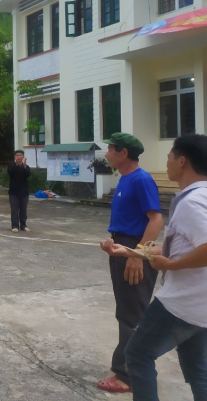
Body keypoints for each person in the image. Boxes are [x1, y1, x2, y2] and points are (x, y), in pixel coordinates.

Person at [101, 134, 207, 401]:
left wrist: (161, 261)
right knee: (197, 369)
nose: (167, 161)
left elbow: (156, 220)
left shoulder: (191, 201)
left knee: (137, 351)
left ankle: (125, 376)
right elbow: (183, 245)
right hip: (196, 304)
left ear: (182, 161)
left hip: (185, 302)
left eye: (170, 156)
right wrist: (131, 251)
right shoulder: (195, 197)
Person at [96, 132, 164, 394]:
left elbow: (156, 220)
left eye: (110, 149)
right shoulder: (125, 179)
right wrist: (115, 245)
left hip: (136, 249)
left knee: (132, 314)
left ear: (124, 153)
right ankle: (126, 368)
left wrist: (137, 254)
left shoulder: (141, 179)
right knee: (126, 311)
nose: (106, 154)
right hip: (124, 246)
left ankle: (129, 375)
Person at [7, 149, 31, 233]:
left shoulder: (26, 167)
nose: (19, 157)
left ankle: (23, 225)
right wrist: (16, 165)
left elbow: (28, 174)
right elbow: (10, 173)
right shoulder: (11, 166)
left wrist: (24, 166)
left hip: (24, 193)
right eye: (17, 155)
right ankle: (15, 226)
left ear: (23, 157)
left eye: (20, 155)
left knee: (23, 210)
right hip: (13, 193)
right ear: (15, 157)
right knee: (14, 210)